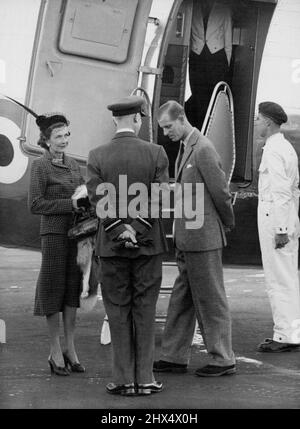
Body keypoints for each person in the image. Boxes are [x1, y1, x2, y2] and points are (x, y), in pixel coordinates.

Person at [86, 95, 169, 395]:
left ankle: (123, 380)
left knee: (118, 311)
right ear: (138, 119)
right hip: (148, 246)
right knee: (145, 310)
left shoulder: (97, 156)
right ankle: (145, 379)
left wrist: (120, 230)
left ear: (114, 120)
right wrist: (136, 229)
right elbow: (159, 199)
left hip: (111, 246)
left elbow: (97, 200)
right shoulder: (157, 153)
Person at [154, 100, 236, 377]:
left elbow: (220, 192)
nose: (166, 133)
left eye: (168, 127)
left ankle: (223, 359)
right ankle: (173, 356)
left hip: (203, 237)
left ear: (181, 119)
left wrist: (227, 222)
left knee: (211, 300)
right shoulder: (187, 147)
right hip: (189, 238)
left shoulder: (202, 149)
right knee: (182, 299)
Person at [28, 113, 88, 375]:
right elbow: (35, 204)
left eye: (67, 135)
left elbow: (84, 193)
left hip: (75, 234)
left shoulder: (75, 166)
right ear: (47, 141)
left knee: (72, 290)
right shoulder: (40, 166)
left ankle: (70, 348)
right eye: (58, 137)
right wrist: (70, 204)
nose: (64, 141)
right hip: (53, 235)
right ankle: (54, 350)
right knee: (53, 290)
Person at [256, 101, 300, 352]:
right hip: (286, 217)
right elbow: (294, 191)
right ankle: (291, 332)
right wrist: (293, 223)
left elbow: (282, 191)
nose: (256, 123)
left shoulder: (273, 150)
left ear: (269, 122)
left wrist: (282, 229)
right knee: (288, 277)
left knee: (278, 278)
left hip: (276, 220)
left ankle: (284, 335)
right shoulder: (287, 147)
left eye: (258, 119)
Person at [186, 0, 232, 129]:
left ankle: (212, 128)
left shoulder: (223, 8)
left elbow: (228, 37)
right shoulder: (193, 6)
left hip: (217, 58)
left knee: (214, 95)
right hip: (197, 56)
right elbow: (187, 34)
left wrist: (225, 64)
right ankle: (199, 127)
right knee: (197, 94)